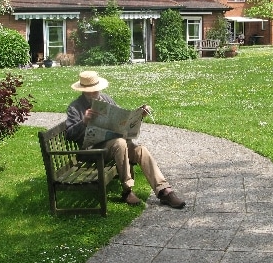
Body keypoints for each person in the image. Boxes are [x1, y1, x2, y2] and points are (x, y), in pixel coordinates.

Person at [66, 70, 186, 209]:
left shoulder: (105, 99)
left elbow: (122, 119)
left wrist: (138, 116)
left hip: (115, 145)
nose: (95, 93)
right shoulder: (75, 107)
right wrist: (84, 121)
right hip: (93, 151)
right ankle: (127, 190)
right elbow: (69, 134)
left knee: (141, 150)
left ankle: (164, 191)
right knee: (120, 143)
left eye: (96, 90)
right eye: (91, 91)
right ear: (83, 91)